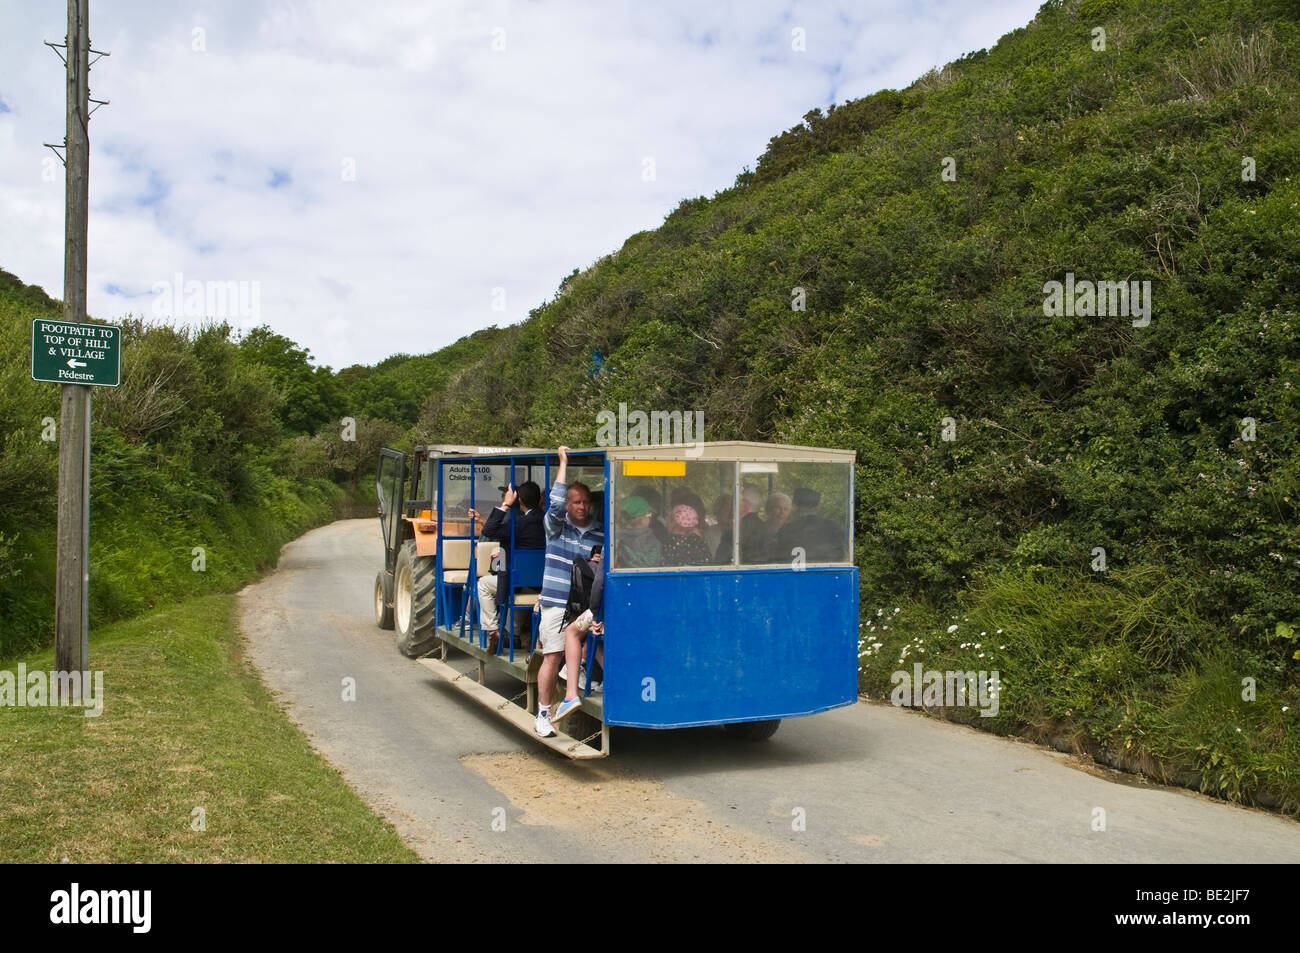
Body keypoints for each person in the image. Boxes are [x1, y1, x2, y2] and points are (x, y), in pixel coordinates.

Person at [534, 447, 604, 738]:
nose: (581, 507)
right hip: (556, 600)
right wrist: (563, 463)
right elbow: (554, 503)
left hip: (585, 606)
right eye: (576, 502)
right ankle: (543, 713)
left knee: (598, 639)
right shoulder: (556, 527)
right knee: (552, 656)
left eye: (585, 502)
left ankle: (580, 682)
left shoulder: (600, 532)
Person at [467, 480, 543, 653]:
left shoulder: (519, 523)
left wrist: (505, 504)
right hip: (539, 584)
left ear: (520, 501)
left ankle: (493, 630)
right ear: (539, 500)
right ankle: (513, 634)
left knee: (483, 584)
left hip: (517, 580)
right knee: (517, 585)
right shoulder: (546, 521)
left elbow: (489, 531)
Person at [553, 546, 606, 723]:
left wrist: (596, 614)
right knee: (593, 640)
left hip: (609, 612)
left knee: (572, 632)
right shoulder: (655, 539)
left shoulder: (613, 544)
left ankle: (571, 695)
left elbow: (598, 585)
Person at [773, 487, 845, 562]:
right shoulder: (832, 528)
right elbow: (839, 556)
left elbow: (777, 559)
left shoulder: (785, 530)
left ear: (794, 506)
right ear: (817, 507)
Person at [715, 484, 771, 564]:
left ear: (744, 506)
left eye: (734, 502)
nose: (731, 507)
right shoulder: (767, 529)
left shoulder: (733, 532)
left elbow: (720, 566)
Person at [615, 495, 662, 568]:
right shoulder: (652, 540)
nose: (650, 517)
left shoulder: (613, 539)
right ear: (640, 518)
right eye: (649, 514)